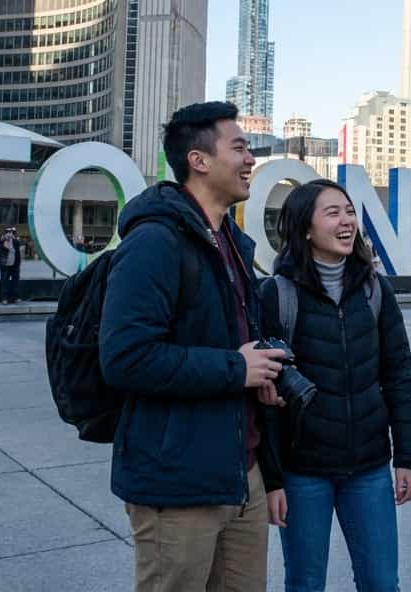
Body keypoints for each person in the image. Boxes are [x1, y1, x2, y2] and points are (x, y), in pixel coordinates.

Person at [99, 101, 286, 592]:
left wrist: (262, 374)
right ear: (198, 161)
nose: (251, 160)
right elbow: (125, 358)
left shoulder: (233, 243)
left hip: (241, 475)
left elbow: (237, 345)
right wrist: (234, 369)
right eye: (240, 148)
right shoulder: (155, 241)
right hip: (176, 483)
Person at [259, 179, 411, 592]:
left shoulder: (374, 290)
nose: (347, 219)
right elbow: (264, 399)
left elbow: (398, 375)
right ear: (306, 229)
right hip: (303, 473)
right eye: (333, 212)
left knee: (382, 582)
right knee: (305, 583)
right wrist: (273, 479)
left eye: (349, 210)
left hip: (368, 468)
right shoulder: (277, 296)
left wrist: (407, 456)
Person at [0, 227, 23, 304]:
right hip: (5, 265)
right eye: (8, 232)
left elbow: (20, 247)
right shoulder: (2, 241)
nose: (10, 234)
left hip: (14, 265)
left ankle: (15, 298)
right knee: (4, 282)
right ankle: (4, 299)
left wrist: (15, 238)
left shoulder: (15, 241)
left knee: (15, 282)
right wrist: (2, 241)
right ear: (5, 233)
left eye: (11, 232)